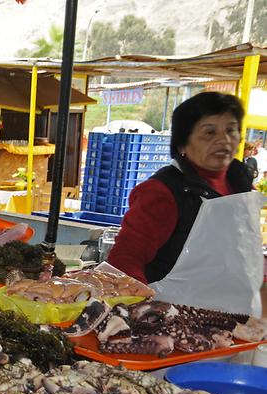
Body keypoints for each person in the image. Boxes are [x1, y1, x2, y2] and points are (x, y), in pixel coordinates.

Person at [107, 92, 261, 314]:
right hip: (173, 320)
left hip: (236, 318)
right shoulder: (161, 192)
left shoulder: (241, 183)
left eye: (230, 129)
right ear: (182, 143)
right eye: (209, 132)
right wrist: (144, 311)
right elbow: (124, 261)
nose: (224, 140)